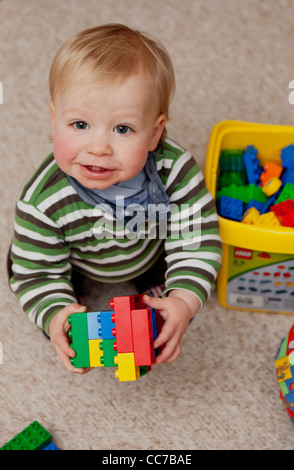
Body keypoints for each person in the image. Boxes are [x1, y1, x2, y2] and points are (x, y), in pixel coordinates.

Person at [9, 24, 222, 374]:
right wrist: (53, 313)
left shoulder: (175, 170)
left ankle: (161, 300)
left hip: (149, 251)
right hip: (76, 261)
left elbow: (196, 239)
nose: (99, 147)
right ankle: (66, 310)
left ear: (155, 133)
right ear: (53, 120)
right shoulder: (42, 200)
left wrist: (184, 299)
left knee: (178, 301)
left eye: (122, 129)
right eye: (79, 125)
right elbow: (37, 273)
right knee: (24, 267)